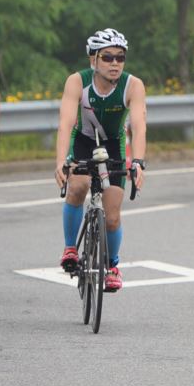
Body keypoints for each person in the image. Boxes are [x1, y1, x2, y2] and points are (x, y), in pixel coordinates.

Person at [54, 28, 147, 292]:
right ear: (93, 59)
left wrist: (138, 161)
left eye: (120, 57)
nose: (115, 63)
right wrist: (61, 161)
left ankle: (113, 266)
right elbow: (65, 123)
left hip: (114, 145)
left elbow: (139, 126)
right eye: (107, 57)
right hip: (82, 140)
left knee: (113, 216)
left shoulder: (133, 85)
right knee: (78, 186)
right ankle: (71, 248)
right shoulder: (77, 82)